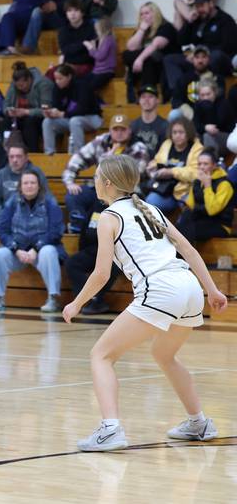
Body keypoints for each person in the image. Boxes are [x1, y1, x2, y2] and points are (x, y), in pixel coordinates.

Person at [62, 154, 228, 452]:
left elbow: (101, 274)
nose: (94, 181)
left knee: (100, 355)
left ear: (108, 183)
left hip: (161, 289)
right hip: (189, 287)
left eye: (97, 176)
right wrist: (212, 290)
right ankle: (199, 422)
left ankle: (110, 429)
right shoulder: (151, 208)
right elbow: (188, 250)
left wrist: (76, 303)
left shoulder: (109, 218)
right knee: (164, 355)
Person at [0, 170, 65, 313]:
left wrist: (36, 248)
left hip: (41, 251)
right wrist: (15, 249)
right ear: (20, 187)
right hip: (18, 251)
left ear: (39, 186)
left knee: (49, 252)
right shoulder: (11, 202)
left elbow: (56, 231)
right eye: (26, 183)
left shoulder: (50, 202)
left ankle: (53, 299)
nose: (29, 186)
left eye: (33, 183)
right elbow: (2, 230)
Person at [63, 114, 150, 233]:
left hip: (125, 194)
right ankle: (79, 227)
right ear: (110, 130)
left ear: (129, 130)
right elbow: (77, 159)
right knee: (74, 195)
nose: (119, 133)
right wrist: (69, 182)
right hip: (100, 190)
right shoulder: (101, 141)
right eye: (115, 129)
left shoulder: (138, 147)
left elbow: (134, 175)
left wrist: (108, 162)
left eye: (123, 129)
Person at [0, 131, 52, 259]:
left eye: (18, 156)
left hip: (31, 219)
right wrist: (3, 216)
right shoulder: (2, 174)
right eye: (11, 157)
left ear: (26, 157)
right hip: (6, 217)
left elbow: (46, 198)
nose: (15, 160)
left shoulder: (36, 173)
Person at [164, 0, 237, 81]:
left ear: (211, 3)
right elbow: (181, 41)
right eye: (197, 6)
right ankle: (177, 92)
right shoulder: (197, 20)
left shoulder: (225, 20)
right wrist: (189, 21)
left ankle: (208, 87)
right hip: (197, 58)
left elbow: (227, 47)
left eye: (202, 6)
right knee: (169, 59)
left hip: (221, 61)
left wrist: (201, 53)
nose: (199, 9)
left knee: (216, 55)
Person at [65, 198, 120, 315]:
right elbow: (86, 228)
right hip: (92, 250)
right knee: (72, 263)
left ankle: (96, 299)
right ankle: (91, 297)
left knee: (113, 266)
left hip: (114, 252)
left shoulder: (119, 207)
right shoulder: (97, 203)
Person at [122, 3, 179, 103]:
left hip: (165, 65)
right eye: (141, 14)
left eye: (147, 13)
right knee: (127, 54)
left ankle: (148, 94)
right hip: (148, 65)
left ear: (155, 13)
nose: (144, 16)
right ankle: (143, 93)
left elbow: (155, 45)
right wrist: (142, 30)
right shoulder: (144, 29)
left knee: (147, 58)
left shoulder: (166, 26)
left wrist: (140, 59)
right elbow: (131, 47)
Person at [145, 117, 204, 213]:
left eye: (181, 132)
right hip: (164, 190)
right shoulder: (167, 144)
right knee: (150, 201)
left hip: (186, 193)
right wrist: (152, 167)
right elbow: (157, 161)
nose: (177, 136)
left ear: (188, 133)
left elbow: (196, 174)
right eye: (174, 132)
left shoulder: (197, 148)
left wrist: (172, 172)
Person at [42, 64, 103, 155]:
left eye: (60, 79)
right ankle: (49, 153)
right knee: (47, 121)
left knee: (75, 121)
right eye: (56, 79)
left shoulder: (82, 85)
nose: (57, 82)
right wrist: (51, 113)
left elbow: (83, 109)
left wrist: (62, 114)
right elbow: (57, 106)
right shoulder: (57, 88)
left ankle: (79, 154)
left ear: (69, 77)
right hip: (69, 119)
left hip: (91, 117)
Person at [176, 149, 233, 243]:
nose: (201, 167)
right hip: (201, 220)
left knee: (188, 231)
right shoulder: (198, 181)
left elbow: (212, 210)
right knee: (182, 223)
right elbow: (190, 206)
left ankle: (184, 256)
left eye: (205, 164)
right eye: (199, 164)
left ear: (214, 165)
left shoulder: (225, 184)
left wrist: (208, 186)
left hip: (219, 224)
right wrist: (197, 184)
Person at [2, 62, 54, 153]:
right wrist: (9, 111)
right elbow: (5, 104)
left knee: (29, 122)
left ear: (29, 80)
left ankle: (33, 153)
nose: (20, 88)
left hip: (39, 118)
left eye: (22, 85)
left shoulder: (44, 84)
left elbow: (47, 110)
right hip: (19, 117)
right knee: (5, 121)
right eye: (17, 86)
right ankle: (6, 153)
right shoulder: (14, 85)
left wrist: (26, 112)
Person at [168, 45, 222, 122]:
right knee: (174, 114)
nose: (200, 61)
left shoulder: (217, 77)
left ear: (209, 59)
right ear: (192, 60)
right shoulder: (185, 78)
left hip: (210, 111)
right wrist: (186, 109)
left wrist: (208, 81)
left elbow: (220, 97)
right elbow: (175, 100)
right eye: (197, 57)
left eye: (203, 57)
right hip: (190, 113)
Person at [45, 0, 96, 80]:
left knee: (73, 76)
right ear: (66, 14)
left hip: (86, 64)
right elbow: (65, 50)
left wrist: (73, 48)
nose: (72, 14)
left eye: (76, 10)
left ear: (82, 13)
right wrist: (83, 44)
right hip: (68, 65)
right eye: (69, 11)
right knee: (50, 74)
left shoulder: (91, 28)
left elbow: (91, 52)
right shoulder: (63, 30)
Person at [192, 78, 236, 153]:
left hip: (228, 137)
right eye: (202, 95)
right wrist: (205, 127)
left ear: (215, 92)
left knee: (207, 135)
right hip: (207, 134)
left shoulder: (223, 104)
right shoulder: (198, 105)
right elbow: (196, 124)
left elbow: (216, 126)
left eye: (208, 94)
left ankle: (211, 161)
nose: (206, 98)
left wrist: (208, 107)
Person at [129, 85, 169, 157]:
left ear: (157, 100)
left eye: (150, 96)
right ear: (139, 101)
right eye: (143, 97)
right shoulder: (132, 125)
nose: (146, 100)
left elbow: (165, 154)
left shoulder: (165, 126)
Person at [84, 17, 116, 92]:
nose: (96, 32)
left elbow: (99, 56)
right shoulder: (102, 39)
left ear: (103, 29)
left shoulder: (108, 39)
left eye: (97, 30)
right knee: (82, 84)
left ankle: (97, 102)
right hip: (97, 71)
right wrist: (94, 47)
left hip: (106, 72)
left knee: (89, 88)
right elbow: (96, 55)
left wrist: (90, 48)